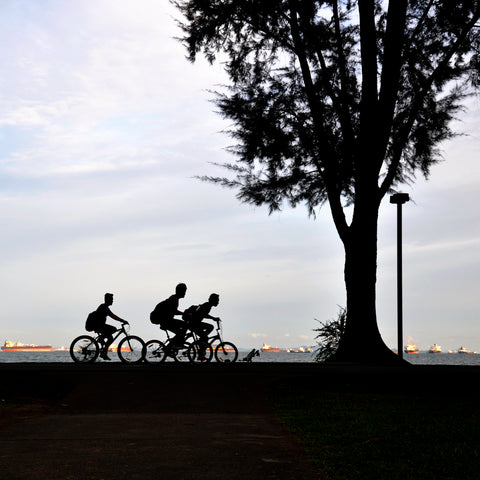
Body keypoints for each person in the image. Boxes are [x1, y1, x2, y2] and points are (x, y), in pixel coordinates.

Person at [151, 283, 188, 350]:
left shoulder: (175, 298)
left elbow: (173, 311)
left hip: (164, 319)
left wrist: (183, 314)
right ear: (181, 291)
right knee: (183, 327)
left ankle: (172, 345)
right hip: (163, 319)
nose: (185, 293)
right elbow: (174, 311)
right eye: (184, 291)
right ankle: (174, 345)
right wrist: (184, 314)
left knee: (181, 330)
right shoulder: (174, 299)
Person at [94, 292, 128, 360]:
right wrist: (122, 320)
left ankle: (104, 352)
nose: (112, 301)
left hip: (100, 326)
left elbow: (112, 315)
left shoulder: (104, 306)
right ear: (107, 300)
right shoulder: (104, 307)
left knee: (110, 337)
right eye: (111, 299)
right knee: (113, 330)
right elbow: (113, 316)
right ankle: (101, 341)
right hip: (98, 326)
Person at [189, 293, 221, 359]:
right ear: (213, 300)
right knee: (206, 335)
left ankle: (202, 341)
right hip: (194, 324)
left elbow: (204, 314)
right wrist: (213, 318)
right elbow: (204, 314)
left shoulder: (208, 305)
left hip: (195, 323)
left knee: (207, 333)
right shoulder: (207, 305)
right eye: (217, 300)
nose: (218, 302)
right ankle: (201, 353)